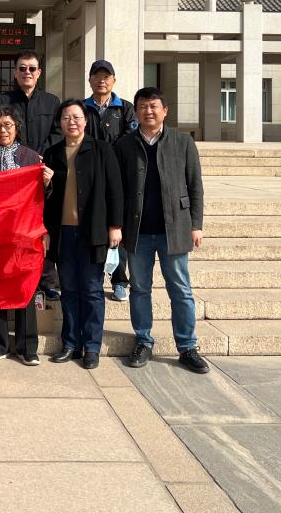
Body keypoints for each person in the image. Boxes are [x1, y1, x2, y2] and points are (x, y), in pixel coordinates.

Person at [116, 87, 209, 374]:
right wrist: (117, 225)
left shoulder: (183, 142)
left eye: (154, 106)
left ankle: (187, 346)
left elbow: (195, 186)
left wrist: (196, 225)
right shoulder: (125, 144)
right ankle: (143, 341)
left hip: (175, 229)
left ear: (165, 111)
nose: (149, 111)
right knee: (139, 289)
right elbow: (117, 189)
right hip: (138, 231)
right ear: (136, 111)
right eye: (143, 106)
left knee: (180, 289)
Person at [44, 99, 123, 370]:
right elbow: (46, 199)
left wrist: (115, 226)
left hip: (92, 232)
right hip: (63, 232)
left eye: (77, 117)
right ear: (60, 122)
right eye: (66, 117)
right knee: (68, 290)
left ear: (86, 121)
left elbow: (115, 189)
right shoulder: (53, 153)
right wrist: (46, 185)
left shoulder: (101, 149)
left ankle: (92, 346)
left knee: (91, 290)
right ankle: (70, 343)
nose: (72, 122)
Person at [0, 106, 54, 366]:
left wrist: (47, 183)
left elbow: (42, 199)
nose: (3, 130)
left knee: (24, 287)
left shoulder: (31, 157)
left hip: (23, 233)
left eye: (8, 124)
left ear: (17, 127)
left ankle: (27, 347)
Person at [0, 49, 62, 298]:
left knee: (43, 223)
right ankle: (15, 272)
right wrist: (22, 155)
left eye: (32, 68)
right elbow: (1, 130)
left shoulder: (51, 101)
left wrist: (37, 156)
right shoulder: (4, 99)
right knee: (16, 226)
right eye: (22, 68)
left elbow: (58, 131)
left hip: (42, 170)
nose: (27, 72)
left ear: (39, 73)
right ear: (15, 73)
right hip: (13, 173)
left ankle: (47, 279)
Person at [83, 59, 138, 303]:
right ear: (90, 80)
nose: (101, 80)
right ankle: (92, 278)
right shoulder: (82, 108)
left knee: (117, 228)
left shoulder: (125, 108)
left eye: (106, 76)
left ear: (114, 80)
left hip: (118, 176)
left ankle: (119, 281)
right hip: (89, 176)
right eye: (97, 76)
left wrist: (109, 158)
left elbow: (130, 139)